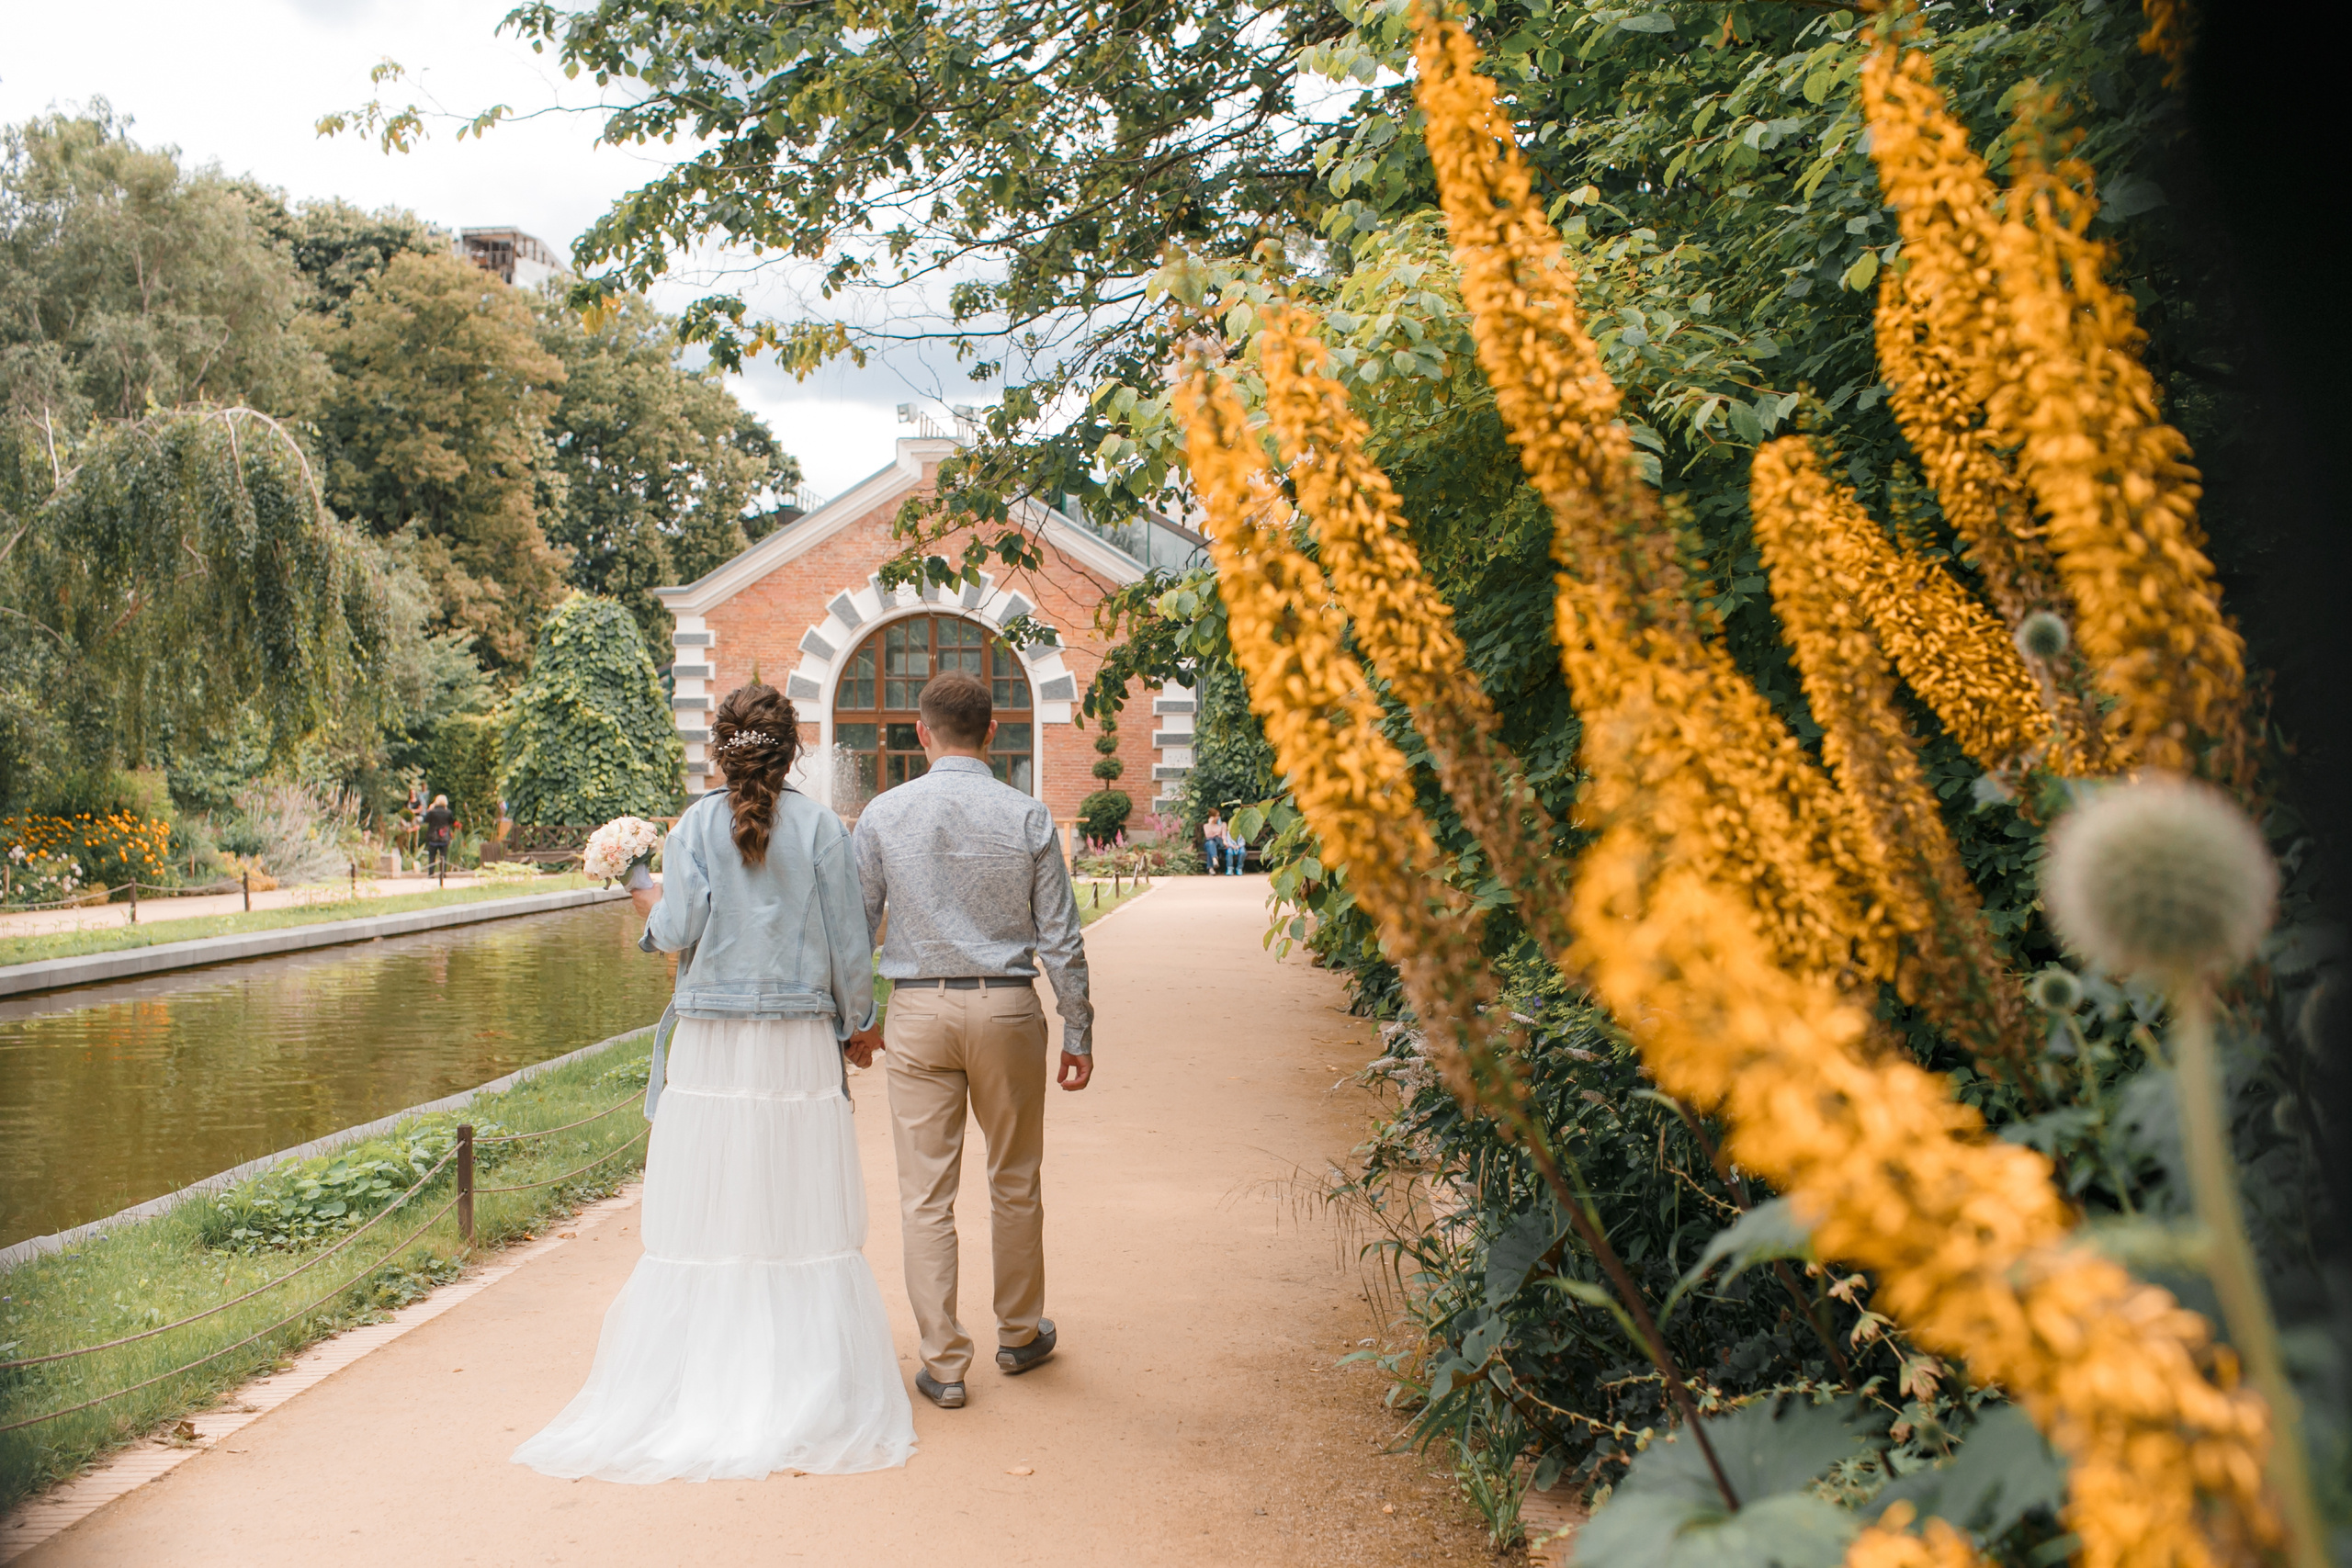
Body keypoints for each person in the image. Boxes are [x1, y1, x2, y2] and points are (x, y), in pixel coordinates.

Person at [512, 682, 915, 1483]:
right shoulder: (823, 829)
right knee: (793, 1205)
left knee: (713, 1209)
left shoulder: (695, 825)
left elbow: (679, 928)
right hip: (796, 1040)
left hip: (711, 1040)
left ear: (719, 749)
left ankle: (704, 1376)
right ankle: (802, 1377)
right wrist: (859, 1022)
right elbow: (848, 942)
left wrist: (640, 893)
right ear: (791, 750)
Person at [850, 670, 1093, 1412]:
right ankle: (1019, 1333)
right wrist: (1078, 1027)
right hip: (1009, 1009)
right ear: (993, 732)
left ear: (921, 733)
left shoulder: (882, 816)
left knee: (926, 1193)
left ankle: (944, 1362)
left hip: (918, 1011)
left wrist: (859, 1019)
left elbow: (855, 929)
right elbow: (1061, 938)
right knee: (1014, 1179)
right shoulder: (1028, 816)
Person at [421, 794, 455, 875]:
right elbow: (451, 822)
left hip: (433, 837)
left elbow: (425, 820)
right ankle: (443, 873)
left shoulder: (432, 812)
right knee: (443, 856)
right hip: (444, 837)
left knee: (432, 856)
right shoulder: (448, 812)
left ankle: (431, 874)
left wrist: (429, 810)